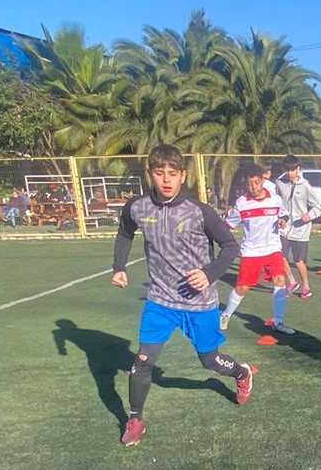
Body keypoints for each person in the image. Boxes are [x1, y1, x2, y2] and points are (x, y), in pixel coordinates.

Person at [111, 144, 253, 447]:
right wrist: (119, 266)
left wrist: (209, 273)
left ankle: (241, 372)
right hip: (160, 301)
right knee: (142, 362)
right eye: (159, 172)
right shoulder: (137, 207)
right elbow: (124, 232)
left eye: (172, 174)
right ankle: (135, 419)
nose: (166, 179)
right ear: (150, 174)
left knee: (209, 360)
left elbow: (231, 247)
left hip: (199, 304)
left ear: (183, 176)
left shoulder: (199, 211)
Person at [220, 163, 294, 334]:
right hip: (251, 252)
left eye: (256, 182)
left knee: (280, 282)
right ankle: (226, 314)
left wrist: (283, 220)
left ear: (262, 181)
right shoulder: (241, 203)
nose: (253, 187)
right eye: (249, 184)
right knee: (243, 288)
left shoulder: (275, 199)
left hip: (273, 248)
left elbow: (284, 213)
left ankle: (278, 322)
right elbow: (228, 225)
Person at [275, 155, 321, 299]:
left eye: (293, 170)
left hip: (301, 230)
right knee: (280, 256)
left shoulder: (305, 185)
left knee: (298, 261)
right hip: (284, 229)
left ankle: (306, 286)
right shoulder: (279, 182)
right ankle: (292, 282)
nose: (290, 173)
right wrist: (279, 218)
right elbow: (277, 202)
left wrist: (309, 216)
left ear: (298, 169)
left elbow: (318, 207)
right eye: (288, 170)